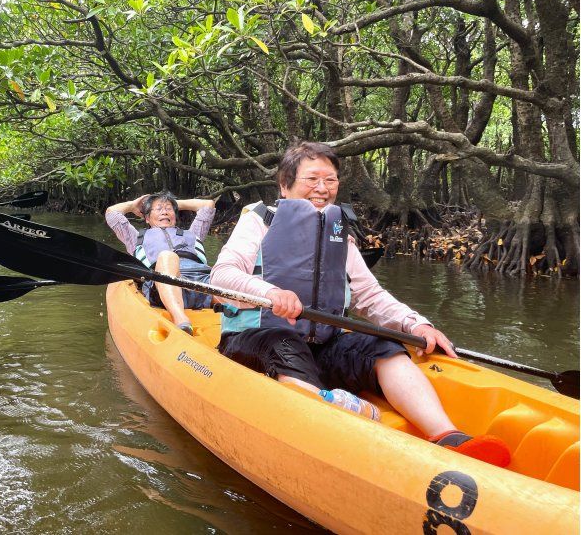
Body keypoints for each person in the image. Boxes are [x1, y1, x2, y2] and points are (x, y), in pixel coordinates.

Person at [210, 142, 510, 467]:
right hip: (256, 339)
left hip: (322, 345)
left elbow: (369, 296)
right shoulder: (258, 221)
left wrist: (415, 324)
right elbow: (221, 276)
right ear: (285, 184)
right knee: (284, 344)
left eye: (331, 180)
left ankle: (448, 437)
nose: (323, 189)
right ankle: (337, 430)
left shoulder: (340, 235)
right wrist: (268, 293)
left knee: (383, 345)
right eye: (312, 179)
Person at [106, 192, 215, 335]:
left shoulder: (193, 233)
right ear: (147, 218)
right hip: (161, 284)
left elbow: (208, 205)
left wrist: (174, 204)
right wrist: (133, 206)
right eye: (158, 209)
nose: (164, 212)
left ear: (175, 216)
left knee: (228, 270)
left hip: (203, 282)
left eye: (169, 209)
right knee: (167, 256)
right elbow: (112, 213)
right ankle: (181, 320)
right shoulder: (134, 238)